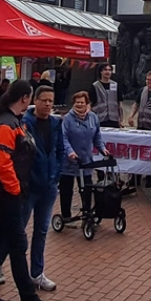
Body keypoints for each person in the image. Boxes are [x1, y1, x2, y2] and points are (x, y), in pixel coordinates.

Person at [0, 80, 58, 301]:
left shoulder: (10, 121)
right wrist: (15, 189)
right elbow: (2, 162)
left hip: (2, 193)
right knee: (18, 245)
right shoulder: (6, 123)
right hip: (5, 195)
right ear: (25, 98)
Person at [22, 85, 65, 290]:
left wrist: (56, 174)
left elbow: (59, 150)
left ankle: (37, 273)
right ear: (35, 101)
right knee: (18, 230)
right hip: (29, 187)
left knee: (41, 230)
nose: (48, 104)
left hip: (49, 186)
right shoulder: (24, 123)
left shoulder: (56, 123)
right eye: (44, 100)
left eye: (51, 101)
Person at [58, 89, 108, 223]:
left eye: (82, 102)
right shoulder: (68, 119)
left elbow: (97, 136)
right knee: (66, 190)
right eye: (77, 102)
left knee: (86, 189)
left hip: (86, 161)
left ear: (87, 103)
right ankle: (66, 216)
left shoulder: (93, 117)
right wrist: (70, 152)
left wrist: (103, 149)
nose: (79, 105)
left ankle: (87, 214)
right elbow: (63, 138)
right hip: (69, 160)